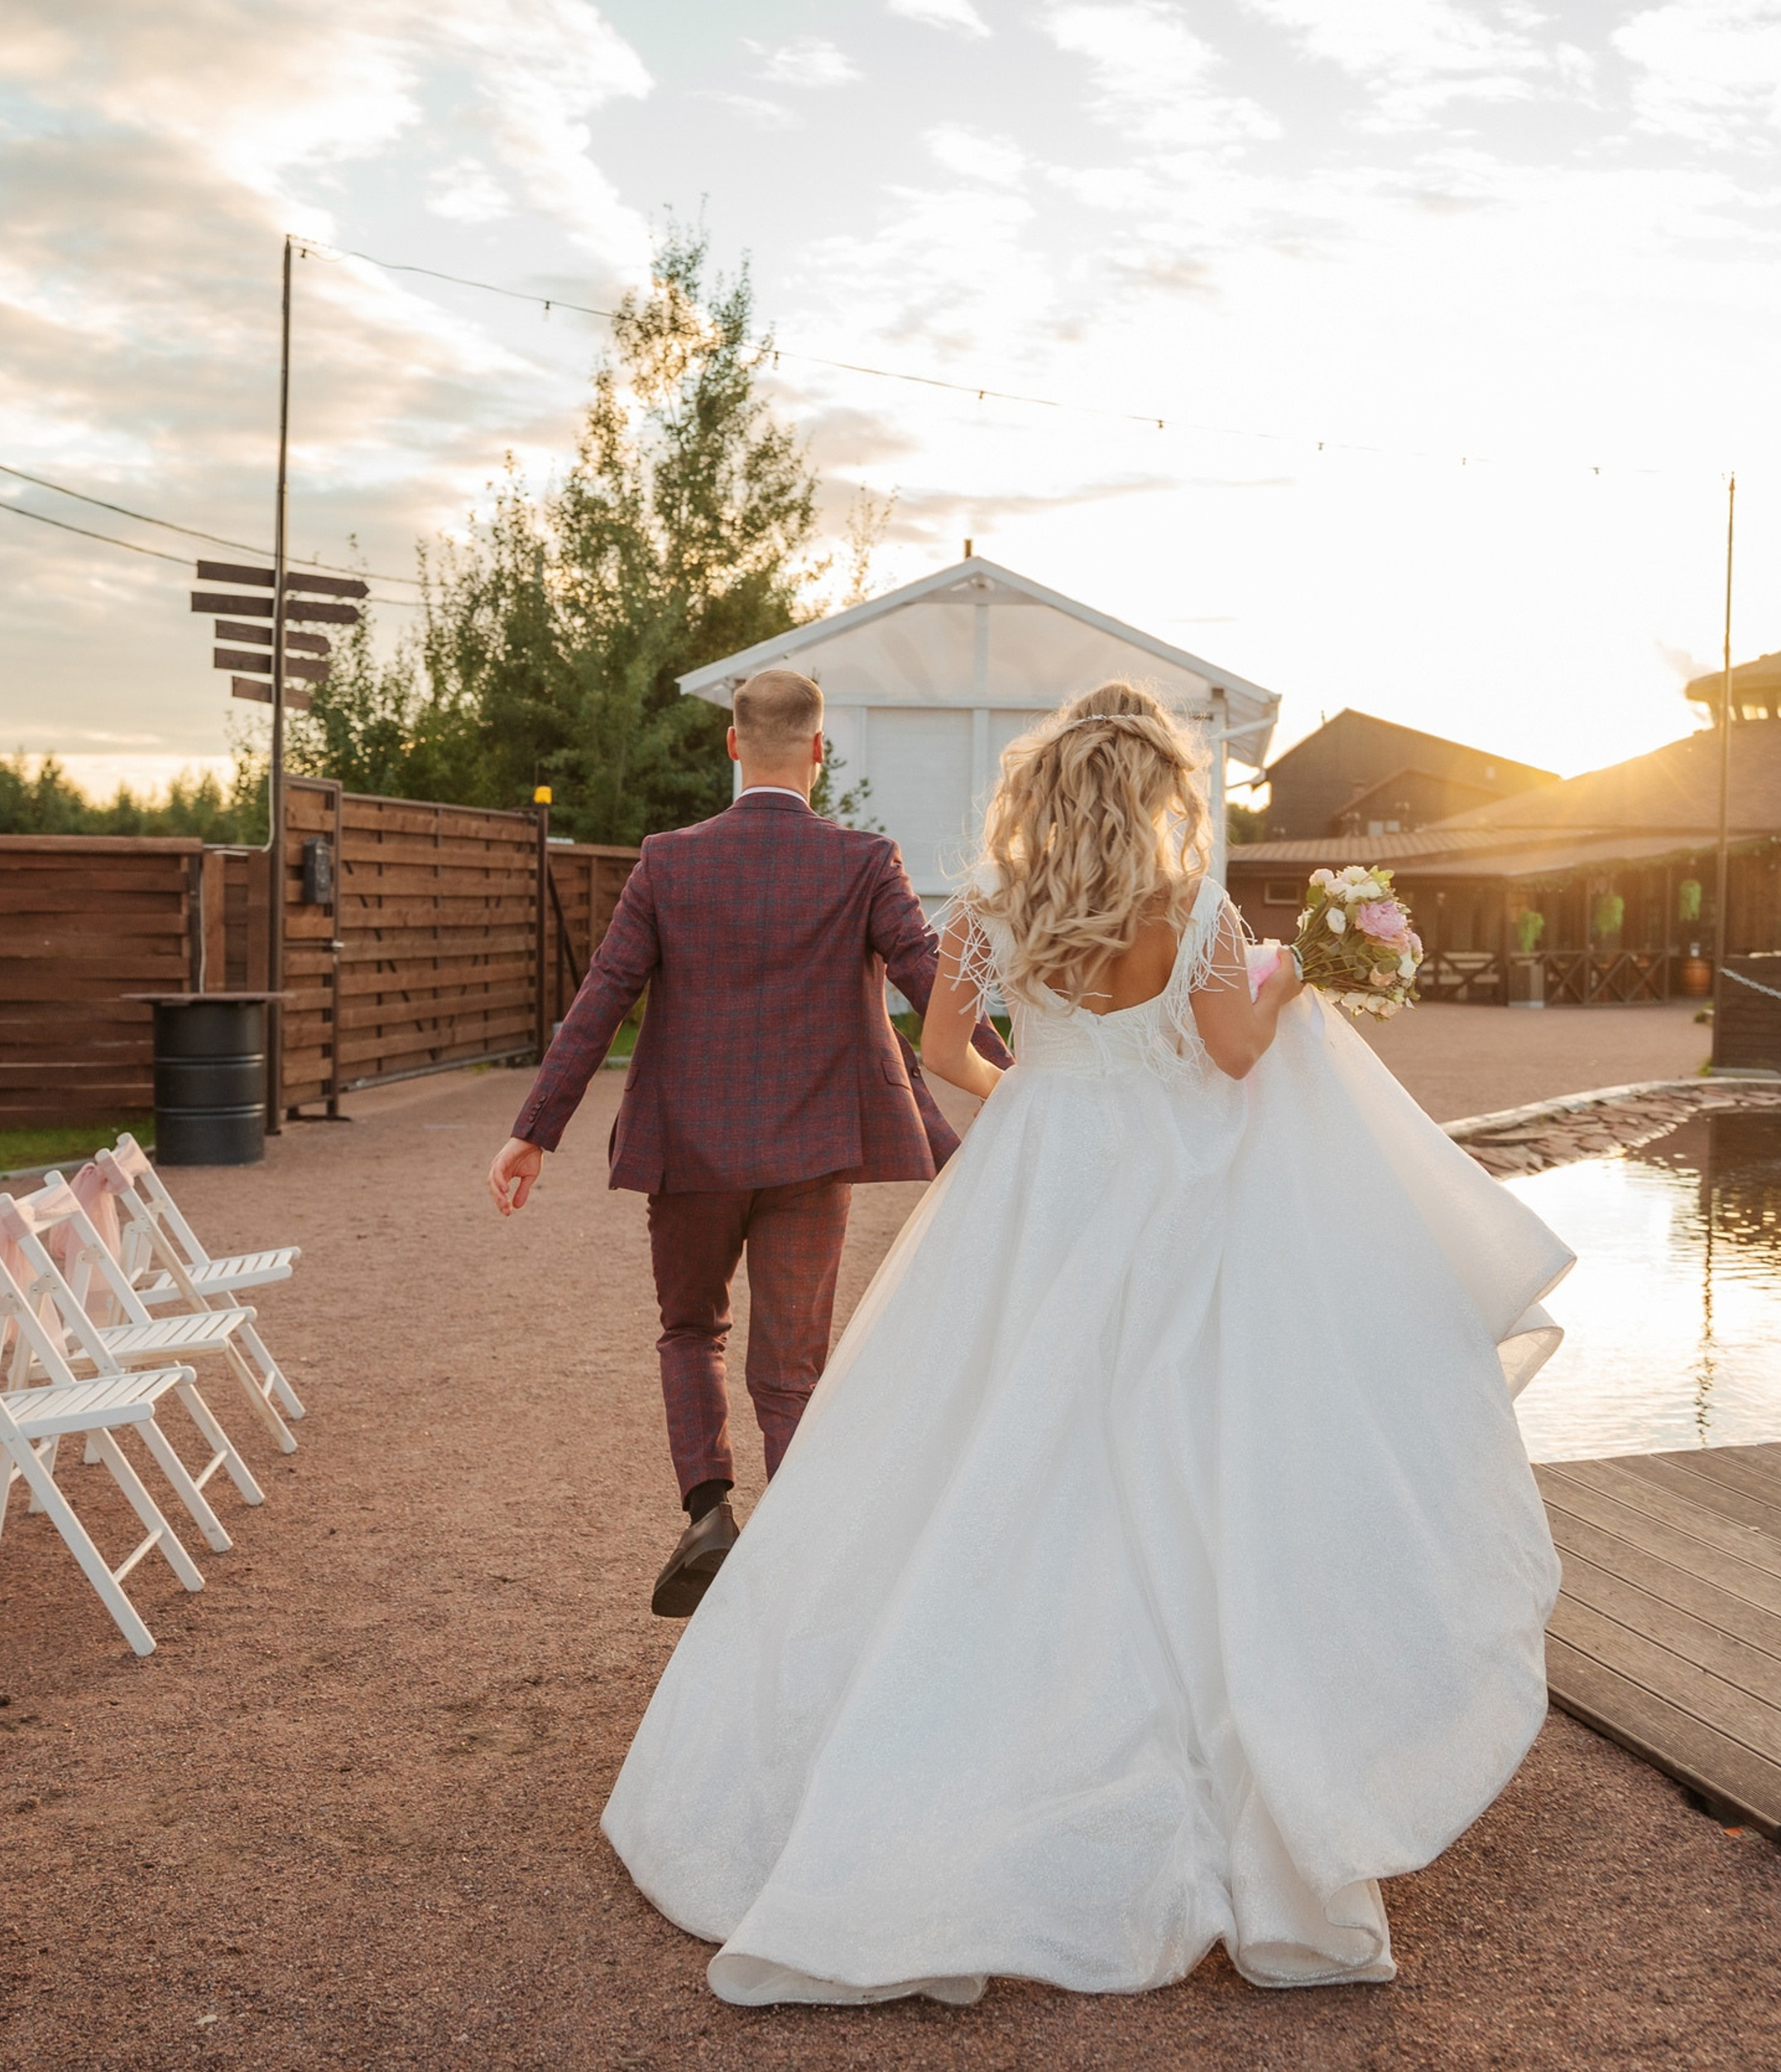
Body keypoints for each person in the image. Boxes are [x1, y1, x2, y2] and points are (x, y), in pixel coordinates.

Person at [602, 680, 1574, 2002]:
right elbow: (1232, 1057)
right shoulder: (1196, 913)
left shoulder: (994, 909)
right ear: (1157, 791)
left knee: (978, 1444)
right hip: (1168, 1191)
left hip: (1033, 1180)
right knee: (1166, 1452)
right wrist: (1294, 982)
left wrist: (1040, 1097)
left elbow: (946, 1050)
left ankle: (929, 1769)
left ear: (1046, 791)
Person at [485, 668, 1007, 1617]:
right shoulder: (862, 859)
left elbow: (601, 998)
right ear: (818, 750)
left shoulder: (668, 860)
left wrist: (535, 1132)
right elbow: (928, 976)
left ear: (733, 744)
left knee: (690, 1329)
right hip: (813, 1153)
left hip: (689, 1151)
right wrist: (1018, 1082)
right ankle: (804, 1564)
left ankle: (710, 1511)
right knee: (792, 1369)